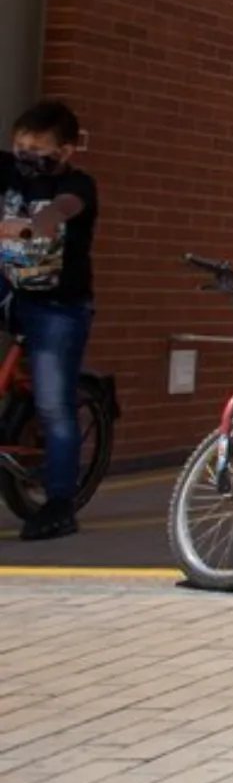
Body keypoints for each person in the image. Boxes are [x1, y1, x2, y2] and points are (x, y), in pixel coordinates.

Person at [0, 101, 100, 541]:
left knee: (54, 406)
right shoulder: (6, 171)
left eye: (38, 149)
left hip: (58, 306)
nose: (27, 155)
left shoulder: (77, 184)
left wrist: (42, 221)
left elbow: (64, 207)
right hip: (8, 291)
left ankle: (59, 505)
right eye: (21, 146)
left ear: (65, 151)